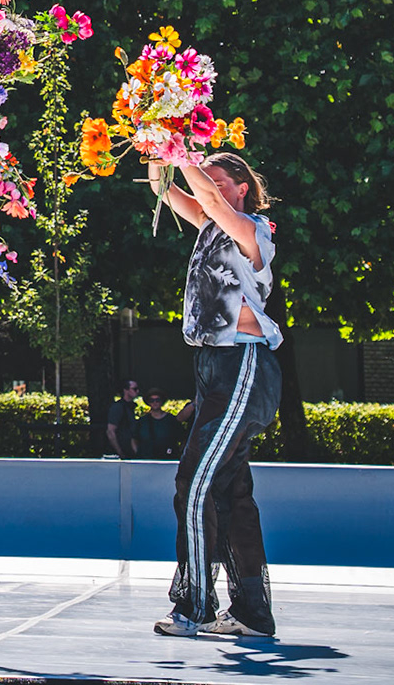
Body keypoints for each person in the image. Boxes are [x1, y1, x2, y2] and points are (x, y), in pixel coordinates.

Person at [149, 153, 282, 641]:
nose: (210, 187)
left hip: (243, 363)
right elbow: (164, 190)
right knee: (230, 494)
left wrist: (182, 153)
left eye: (219, 181)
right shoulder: (209, 228)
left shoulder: (252, 229)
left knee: (195, 482)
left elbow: (202, 193)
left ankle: (196, 605)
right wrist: (157, 143)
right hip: (213, 367)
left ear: (241, 188)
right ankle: (252, 612)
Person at [134, 389, 187, 460]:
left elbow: (184, 439)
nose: (155, 402)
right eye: (151, 400)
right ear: (148, 402)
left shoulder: (171, 420)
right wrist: (138, 454)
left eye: (157, 400)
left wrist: (179, 454)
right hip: (146, 460)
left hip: (168, 460)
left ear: (162, 401)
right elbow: (134, 439)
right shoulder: (142, 421)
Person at [106, 379, 140, 458]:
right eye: (134, 389)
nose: (137, 391)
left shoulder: (130, 407)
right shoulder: (118, 407)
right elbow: (110, 431)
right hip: (118, 454)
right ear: (126, 390)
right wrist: (120, 452)